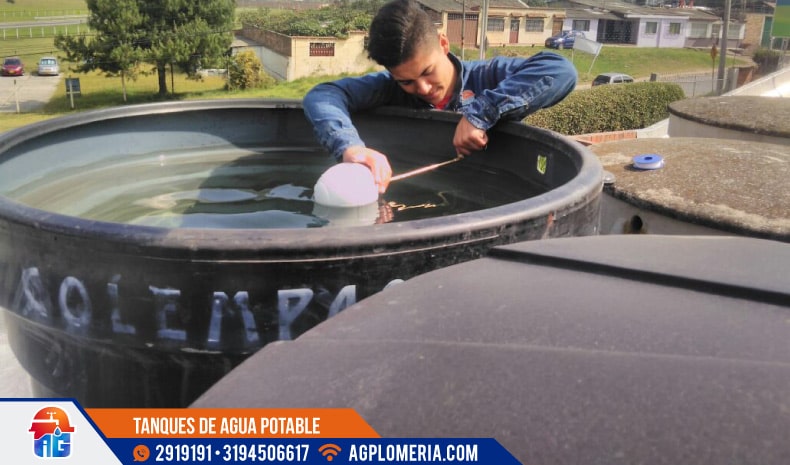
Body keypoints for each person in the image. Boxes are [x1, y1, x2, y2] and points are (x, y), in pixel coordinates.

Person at [303, 0, 577, 194]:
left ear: (444, 44)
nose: (422, 88)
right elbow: (323, 94)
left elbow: (560, 70)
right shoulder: (388, 88)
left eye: (427, 72)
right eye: (407, 81)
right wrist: (350, 147)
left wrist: (481, 114)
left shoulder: (489, 76)